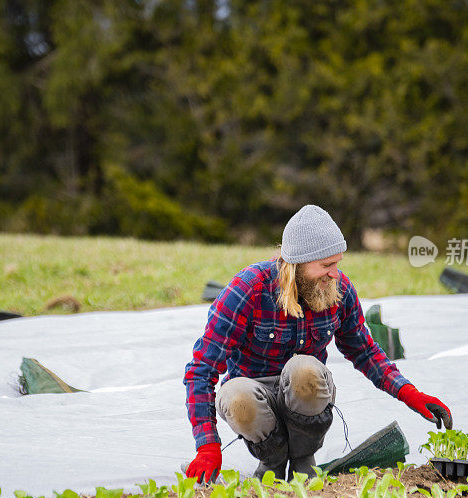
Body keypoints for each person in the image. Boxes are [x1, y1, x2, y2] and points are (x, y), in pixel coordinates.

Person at [183, 205, 452, 483]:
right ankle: (272, 463)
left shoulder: (339, 289)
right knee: (235, 396)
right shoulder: (248, 289)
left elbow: (365, 351)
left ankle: (303, 461)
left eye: (337, 263)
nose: (335, 273)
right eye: (326, 265)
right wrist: (207, 447)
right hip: (255, 394)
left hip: (303, 394)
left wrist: (409, 393)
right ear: (297, 264)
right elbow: (201, 369)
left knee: (304, 370)